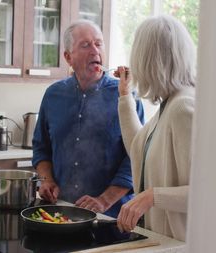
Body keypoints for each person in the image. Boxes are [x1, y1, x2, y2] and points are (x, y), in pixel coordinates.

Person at [32, 20, 144, 218]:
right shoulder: (53, 95)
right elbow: (41, 148)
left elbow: (136, 157)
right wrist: (47, 180)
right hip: (61, 211)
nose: (95, 50)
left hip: (112, 217)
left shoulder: (126, 97)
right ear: (68, 57)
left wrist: (104, 200)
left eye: (98, 44)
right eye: (85, 45)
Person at [115, 14, 196, 241]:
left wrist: (152, 196)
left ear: (147, 60)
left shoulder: (183, 108)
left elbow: (207, 192)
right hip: (162, 242)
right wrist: (125, 95)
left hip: (178, 245)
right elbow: (137, 149)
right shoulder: (169, 104)